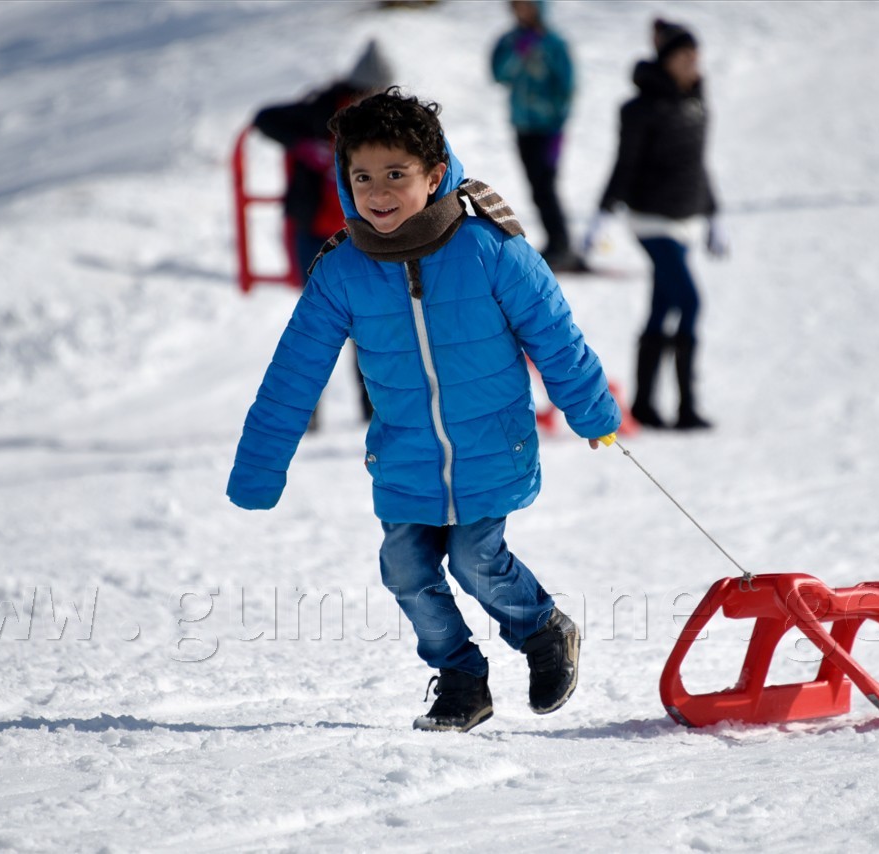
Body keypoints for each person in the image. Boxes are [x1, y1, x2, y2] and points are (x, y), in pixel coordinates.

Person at [227, 88, 622, 733]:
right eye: (362, 177)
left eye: (395, 175)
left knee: (473, 558)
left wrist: (592, 412)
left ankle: (542, 629)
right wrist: (260, 465)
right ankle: (462, 678)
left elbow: (555, 334)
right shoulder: (342, 271)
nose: (377, 193)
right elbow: (293, 375)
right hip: (406, 452)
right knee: (405, 567)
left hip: (491, 444)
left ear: (434, 175)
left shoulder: (489, 249)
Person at [585, 18, 725, 431]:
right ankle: (686, 407)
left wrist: (714, 212)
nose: (692, 65)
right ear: (666, 61)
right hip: (650, 219)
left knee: (663, 305)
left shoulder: (697, 102)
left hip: (685, 220)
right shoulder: (642, 108)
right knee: (690, 301)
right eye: (684, 57)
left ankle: (646, 403)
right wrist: (605, 212)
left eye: (695, 57)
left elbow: (699, 164)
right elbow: (624, 163)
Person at [252, 40, 395, 427]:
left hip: (366, 235)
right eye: (367, 91)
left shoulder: (389, 120)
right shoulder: (322, 108)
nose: (372, 99)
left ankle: (375, 413)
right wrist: (306, 146)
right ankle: (303, 415)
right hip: (316, 233)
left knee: (370, 326)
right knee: (318, 327)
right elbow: (265, 118)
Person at [491, 0, 583, 272]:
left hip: (548, 128)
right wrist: (518, 53)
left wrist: (559, 126)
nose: (523, 10)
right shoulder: (509, 41)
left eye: (527, 4)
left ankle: (561, 243)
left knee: (547, 186)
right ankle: (556, 242)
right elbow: (499, 75)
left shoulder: (554, 43)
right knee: (536, 186)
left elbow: (567, 86)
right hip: (523, 124)